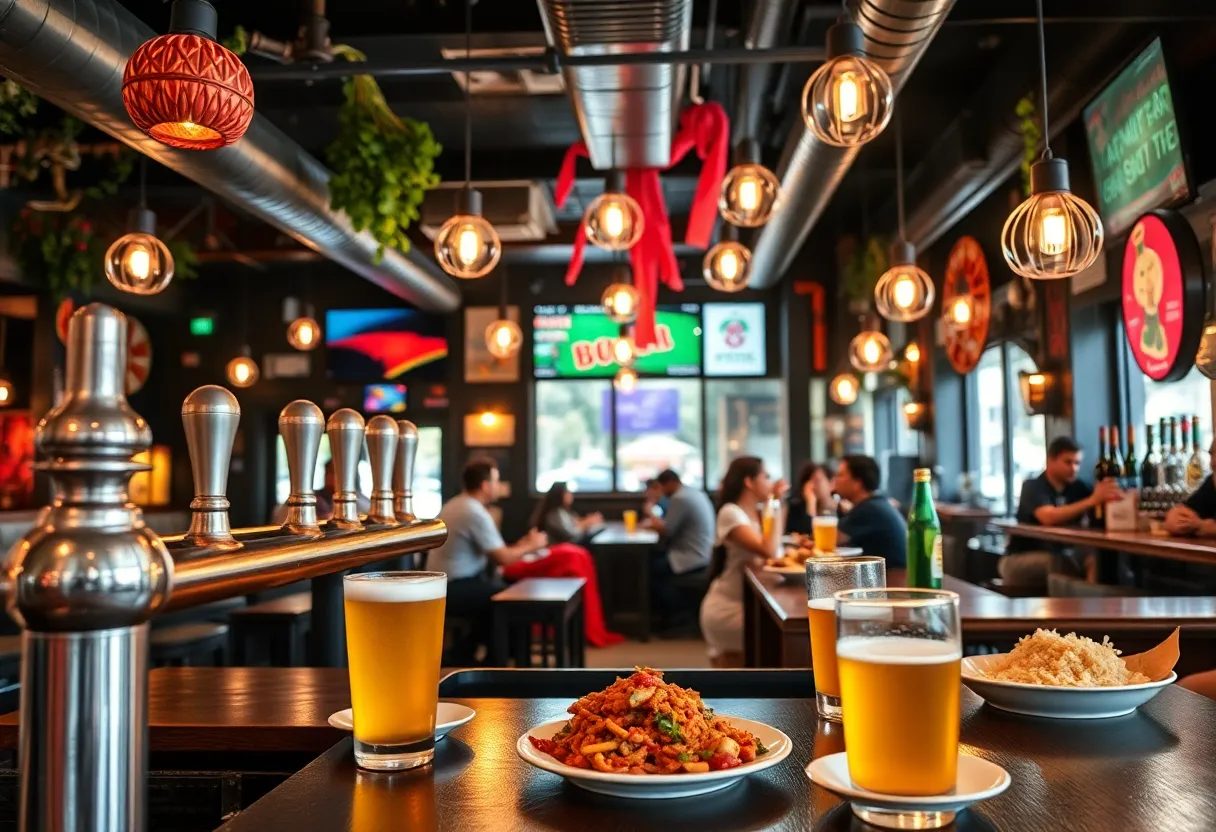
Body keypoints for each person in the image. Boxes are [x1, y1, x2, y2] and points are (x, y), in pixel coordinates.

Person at [428, 458, 548, 664]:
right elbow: (503, 558)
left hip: (445, 583)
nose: (498, 486)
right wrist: (533, 545)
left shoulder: (459, 503)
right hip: (453, 586)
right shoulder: (472, 510)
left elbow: (497, 549)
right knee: (510, 598)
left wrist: (524, 544)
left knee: (506, 592)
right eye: (496, 481)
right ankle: (500, 662)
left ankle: (469, 655)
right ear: (485, 485)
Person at [699, 457, 787, 667]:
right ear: (749, 481)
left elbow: (775, 546)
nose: (770, 482)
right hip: (730, 608)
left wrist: (774, 505)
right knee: (734, 686)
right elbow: (770, 550)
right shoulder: (731, 513)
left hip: (751, 605)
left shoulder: (756, 513)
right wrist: (774, 503)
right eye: (765, 476)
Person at [1002, 435, 1122, 588]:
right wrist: (1092, 500)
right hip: (1018, 559)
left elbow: (1100, 503)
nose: (1074, 468)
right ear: (1050, 461)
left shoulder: (1079, 487)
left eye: (1077, 463)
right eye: (1068, 462)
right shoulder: (1033, 486)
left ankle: (1092, 604)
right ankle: (1075, 607)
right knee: (1058, 563)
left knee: (1095, 556)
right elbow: (1048, 517)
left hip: (1064, 553)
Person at [645, 469, 715, 630]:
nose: (662, 491)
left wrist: (650, 514)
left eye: (662, 487)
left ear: (669, 483)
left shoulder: (680, 498)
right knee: (654, 563)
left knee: (650, 570)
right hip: (704, 552)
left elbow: (667, 530)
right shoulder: (694, 493)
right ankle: (677, 615)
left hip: (691, 556)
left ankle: (679, 615)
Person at [832, 455, 907, 566]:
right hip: (888, 577)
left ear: (858, 482)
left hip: (889, 580)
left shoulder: (868, 510)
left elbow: (829, 542)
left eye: (840, 475)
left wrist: (823, 499)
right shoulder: (876, 503)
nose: (835, 480)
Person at [1165, 440, 1216, 536]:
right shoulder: (1212, 482)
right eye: (1212, 456)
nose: (1212, 464)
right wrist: (1198, 525)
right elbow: (1173, 518)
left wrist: (1202, 526)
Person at [530, 482, 604, 545]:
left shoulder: (565, 511)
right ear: (559, 495)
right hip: (559, 550)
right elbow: (570, 535)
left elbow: (576, 524)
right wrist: (586, 524)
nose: (570, 495)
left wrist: (587, 522)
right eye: (567, 492)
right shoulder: (555, 514)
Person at [785, 462, 834, 536]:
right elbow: (808, 535)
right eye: (809, 481)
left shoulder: (841, 511)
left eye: (817, 480)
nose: (812, 485)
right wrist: (811, 504)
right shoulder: (794, 509)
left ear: (832, 484)